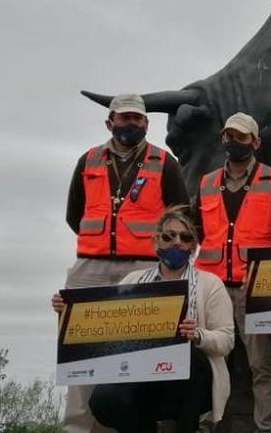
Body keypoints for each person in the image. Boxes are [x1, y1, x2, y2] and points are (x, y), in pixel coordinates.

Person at [62, 93, 189, 432]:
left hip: (143, 269)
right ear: (110, 122)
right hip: (91, 269)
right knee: (82, 354)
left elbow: (181, 219)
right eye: (124, 118)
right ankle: (78, 426)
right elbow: (75, 215)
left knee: (138, 355)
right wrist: (103, 241)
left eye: (137, 118)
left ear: (147, 123)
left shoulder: (165, 162)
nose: (131, 124)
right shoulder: (87, 160)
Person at [52, 206, 234, 432]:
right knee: (103, 400)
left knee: (189, 356)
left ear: (192, 246)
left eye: (185, 237)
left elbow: (226, 340)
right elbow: (107, 324)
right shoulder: (133, 281)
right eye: (169, 236)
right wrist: (69, 311)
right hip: (141, 375)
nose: (177, 242)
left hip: (191, 381)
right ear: (156, 241)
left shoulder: (210, 283)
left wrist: (197, 335)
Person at [194, 111, 271, 433]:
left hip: (256, 289)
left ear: (256, 142)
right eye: (229, 136)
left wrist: (267, 275)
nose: (234, 142)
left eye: (242, 137)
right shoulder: (206, 183)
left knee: (262, 365)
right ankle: (206, 423)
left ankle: (268, 427)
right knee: (208, 361)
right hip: (212, 288)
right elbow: (193, 233)